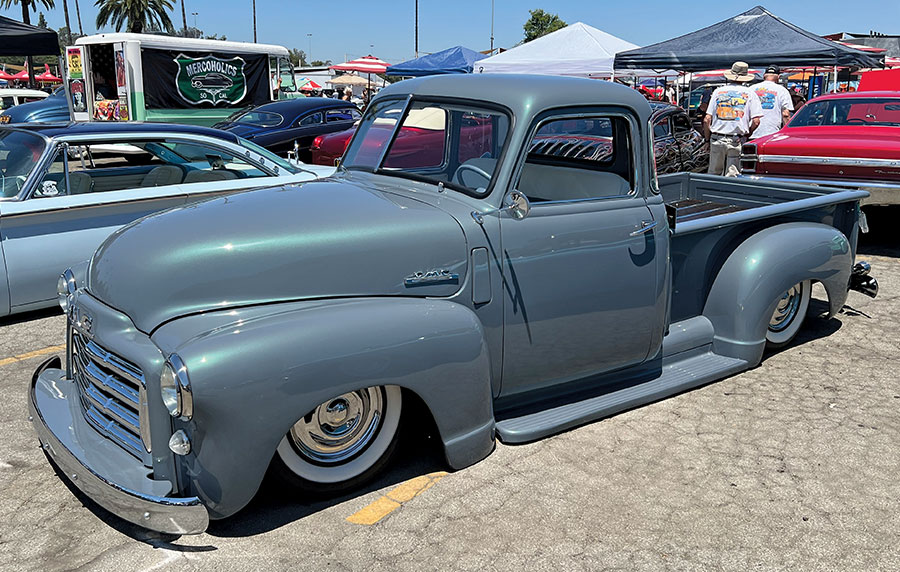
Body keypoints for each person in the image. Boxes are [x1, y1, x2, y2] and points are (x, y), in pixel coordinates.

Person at [703, 61, 764, 176]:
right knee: (733, 175)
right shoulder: (750, 93)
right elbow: (756, 121)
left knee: (713, 174)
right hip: (737, 139)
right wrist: (747, 134)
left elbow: (707, 119)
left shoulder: (718, 91)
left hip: (717, 137)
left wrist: (707, 140)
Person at [750, 65, 794, 139]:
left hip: (751, 132)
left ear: (764, 76)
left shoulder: (751, 89)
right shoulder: (782, 90)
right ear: (778, 77)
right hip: (772, 133)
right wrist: (787, 134)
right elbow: (786, 114)